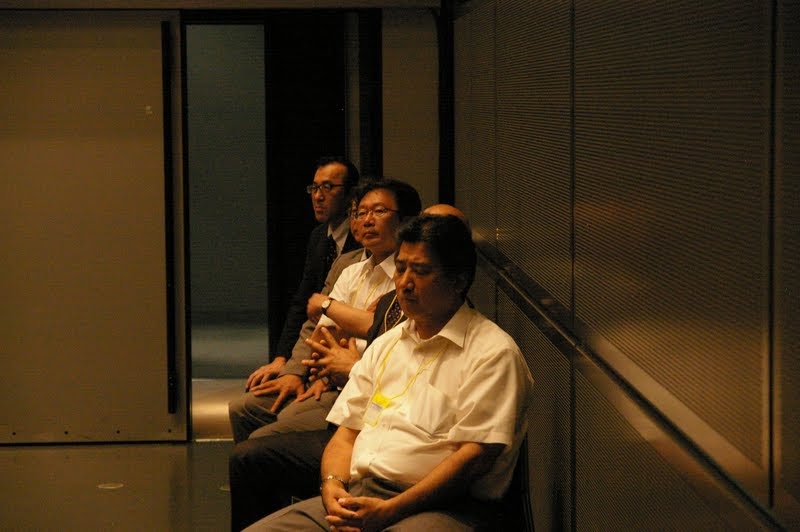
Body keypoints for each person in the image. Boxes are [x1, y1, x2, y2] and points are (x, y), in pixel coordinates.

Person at [242, 213, 534, 531]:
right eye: (400, 268)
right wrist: (332, 486)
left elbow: (473, 459)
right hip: (361, 494)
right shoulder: (387, 343)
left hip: (445, 506)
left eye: (420, 271)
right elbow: (345, 435)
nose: (404, 283)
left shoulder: (492, 352)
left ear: (458, 280)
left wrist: (390, 510)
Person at [228, 179, 422, 444]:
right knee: (243, 409)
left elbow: (379, 329)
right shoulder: (351, 270)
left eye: (379, 211)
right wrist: (352, 325)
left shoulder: (408, 277)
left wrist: (330, 307)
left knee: (275, 429)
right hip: (330, 377)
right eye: (361, 213)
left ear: (405, 221)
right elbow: (321, 335)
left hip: (372, 386)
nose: (367, 220)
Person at [243, 156, 361, 395]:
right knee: (257, 390)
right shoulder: (319, 237)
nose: (318, 196)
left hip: (347, 350)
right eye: (314, 188)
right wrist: (281, 358)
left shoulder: (363, 240)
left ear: (350, 195)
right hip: (312, 345)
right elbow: (302, 302)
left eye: (328, 187)